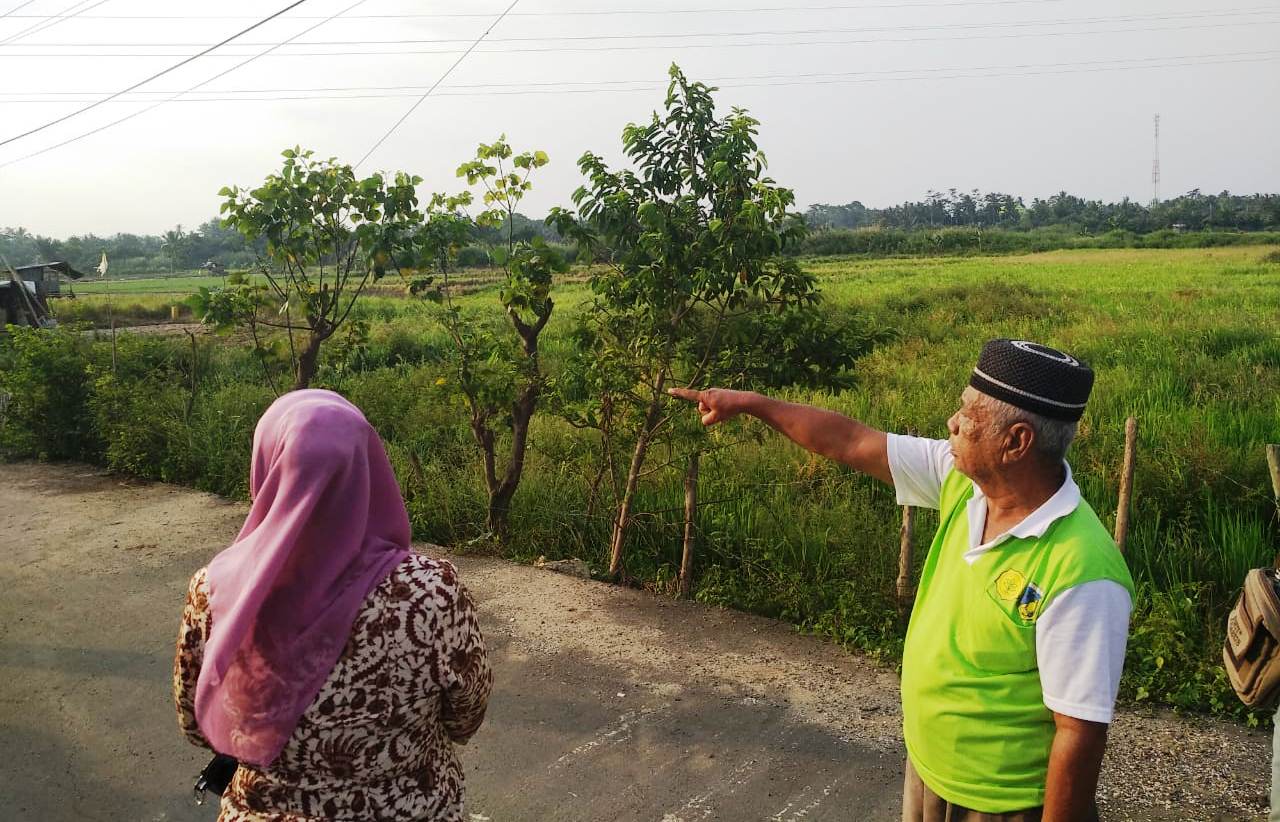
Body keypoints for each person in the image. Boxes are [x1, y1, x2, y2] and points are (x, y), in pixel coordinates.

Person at [671, 339, 1133, 822]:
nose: (952, 423)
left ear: (1016, 442)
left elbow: (1079, 732)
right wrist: (750, 404)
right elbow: (851, 441)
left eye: (969, 414)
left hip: (1003, 805)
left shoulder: (1081, 569)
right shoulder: (964, 483)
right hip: (931, 773)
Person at [173, 389, 492, 821]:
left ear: (268, 467)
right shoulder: (431, 593)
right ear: (367, 466)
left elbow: (198, 724)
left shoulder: (213, 592)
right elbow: (465, 718)